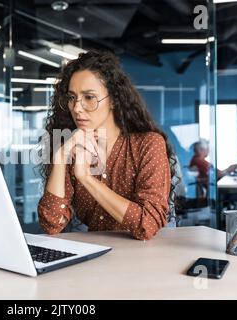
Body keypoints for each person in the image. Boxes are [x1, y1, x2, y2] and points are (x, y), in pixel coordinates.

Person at [37, 50, 178, 241]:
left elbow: (148, 225)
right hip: (97, 256)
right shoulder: (72, 148)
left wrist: (86, 178)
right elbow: (51, 224)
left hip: (147, 258)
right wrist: (60, 158)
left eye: (89, 97)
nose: (77, 108)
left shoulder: (148, 144)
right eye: (72, 98)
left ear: (113, 100)